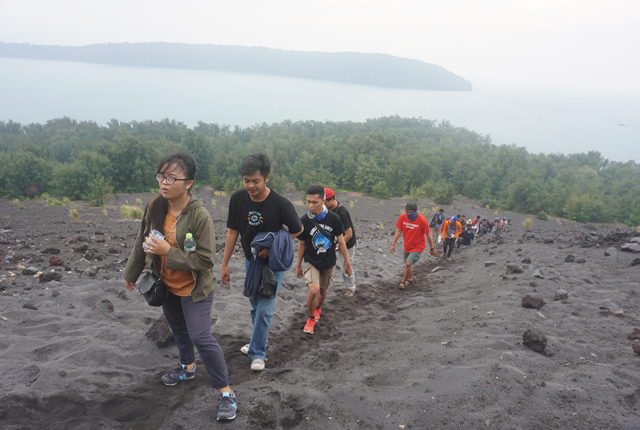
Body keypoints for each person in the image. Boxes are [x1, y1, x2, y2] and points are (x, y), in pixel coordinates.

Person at [123, 152, 237, 421]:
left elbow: (207, 259)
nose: (164, 182)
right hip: (167, 286)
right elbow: (142, 242)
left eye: (171, 177)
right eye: (161, 176)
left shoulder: (199, 216)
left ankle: (226, 393)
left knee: (201, 337)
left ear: (188, 183)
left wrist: (168, 250)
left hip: (195, 288)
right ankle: (187, 368)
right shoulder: (154, 207)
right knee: (178, 330)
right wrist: (131, 273)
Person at [220, 153, 303, 371]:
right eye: (246, 180)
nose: (250, 185)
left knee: (265, 307)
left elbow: (298, 229)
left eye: (255, 181)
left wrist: (273, 246)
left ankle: (258, 353)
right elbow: (232, 231)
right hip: (251, 260)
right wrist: (225, 263)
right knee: (255, 303)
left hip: (273, 263)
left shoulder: (280, 204)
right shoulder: (238, 199)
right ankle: (259, 342)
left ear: (267, 177)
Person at [296, 185, 353, 334]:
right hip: (311, 260)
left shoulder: (334, 218)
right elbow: (301, 244)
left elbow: (341, 242)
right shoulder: (304, 220)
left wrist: (348, 264)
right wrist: (298, 265)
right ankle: (310, 318)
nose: (311, 205)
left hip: (328, 261)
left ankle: (318, 308)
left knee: (323, 290)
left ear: (323, 200)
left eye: (315, 202)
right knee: (313, 290)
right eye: (308, 201)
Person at [390, 202, 437, 290]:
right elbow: (398, 231)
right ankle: (410, 279)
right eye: (407, 211)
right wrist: (393, 244)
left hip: (418, 246)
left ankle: (403, 282)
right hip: (407, 245)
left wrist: (432, 248)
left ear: (415, 211)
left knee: (408, 264)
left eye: (410, 211)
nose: (408, 213)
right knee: (409, 264)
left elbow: (428, 235)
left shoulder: (422, 220)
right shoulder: (402, 217)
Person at [324, 187, 357, 297]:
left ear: (332, 199)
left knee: (345, 267)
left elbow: (349, 234)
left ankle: (350, 288)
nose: (323, 204)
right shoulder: (327, 209)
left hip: (347, 243)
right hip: (335, 240)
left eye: (325, 202)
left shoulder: (342, 212)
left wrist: (337, 247)